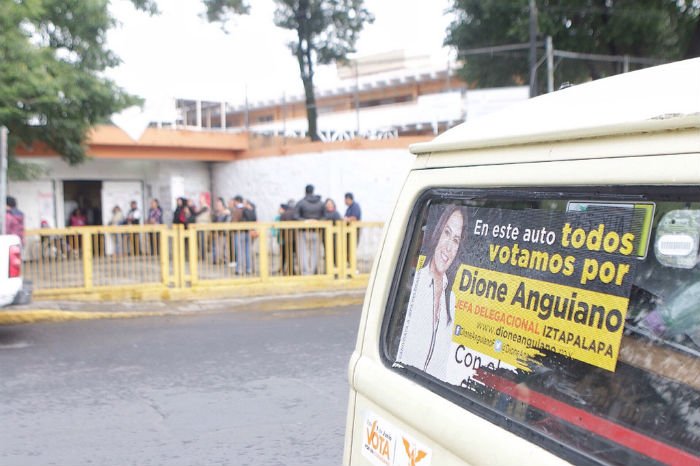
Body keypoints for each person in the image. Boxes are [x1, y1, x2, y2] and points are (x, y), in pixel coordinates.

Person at [396, 205, 467, 380]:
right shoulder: (413, 284)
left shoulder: (452, 301)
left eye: (456, 240)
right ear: (436, 233)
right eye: (447, 233)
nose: (449, 247)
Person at [293, 184, 324, 275]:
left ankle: (305, 272)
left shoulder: (301, 202)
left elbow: (295, 216)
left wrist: (306, 221)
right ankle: (313, 271)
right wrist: (316, 221)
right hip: (317, 231)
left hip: (303, 231)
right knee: (315, 253)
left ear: (305, 191)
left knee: (303, 253)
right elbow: (325, 216)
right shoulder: (320, 203)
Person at [212, 197, 231, 264]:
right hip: (218, 232)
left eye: (219, 205)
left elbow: (225, 222)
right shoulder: (217, 213)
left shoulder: (226, 212)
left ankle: (224, 260)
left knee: (224, 247)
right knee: (218, 246)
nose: (218, 206)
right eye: (217, 205)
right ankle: (219, 260)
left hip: (223, 232)